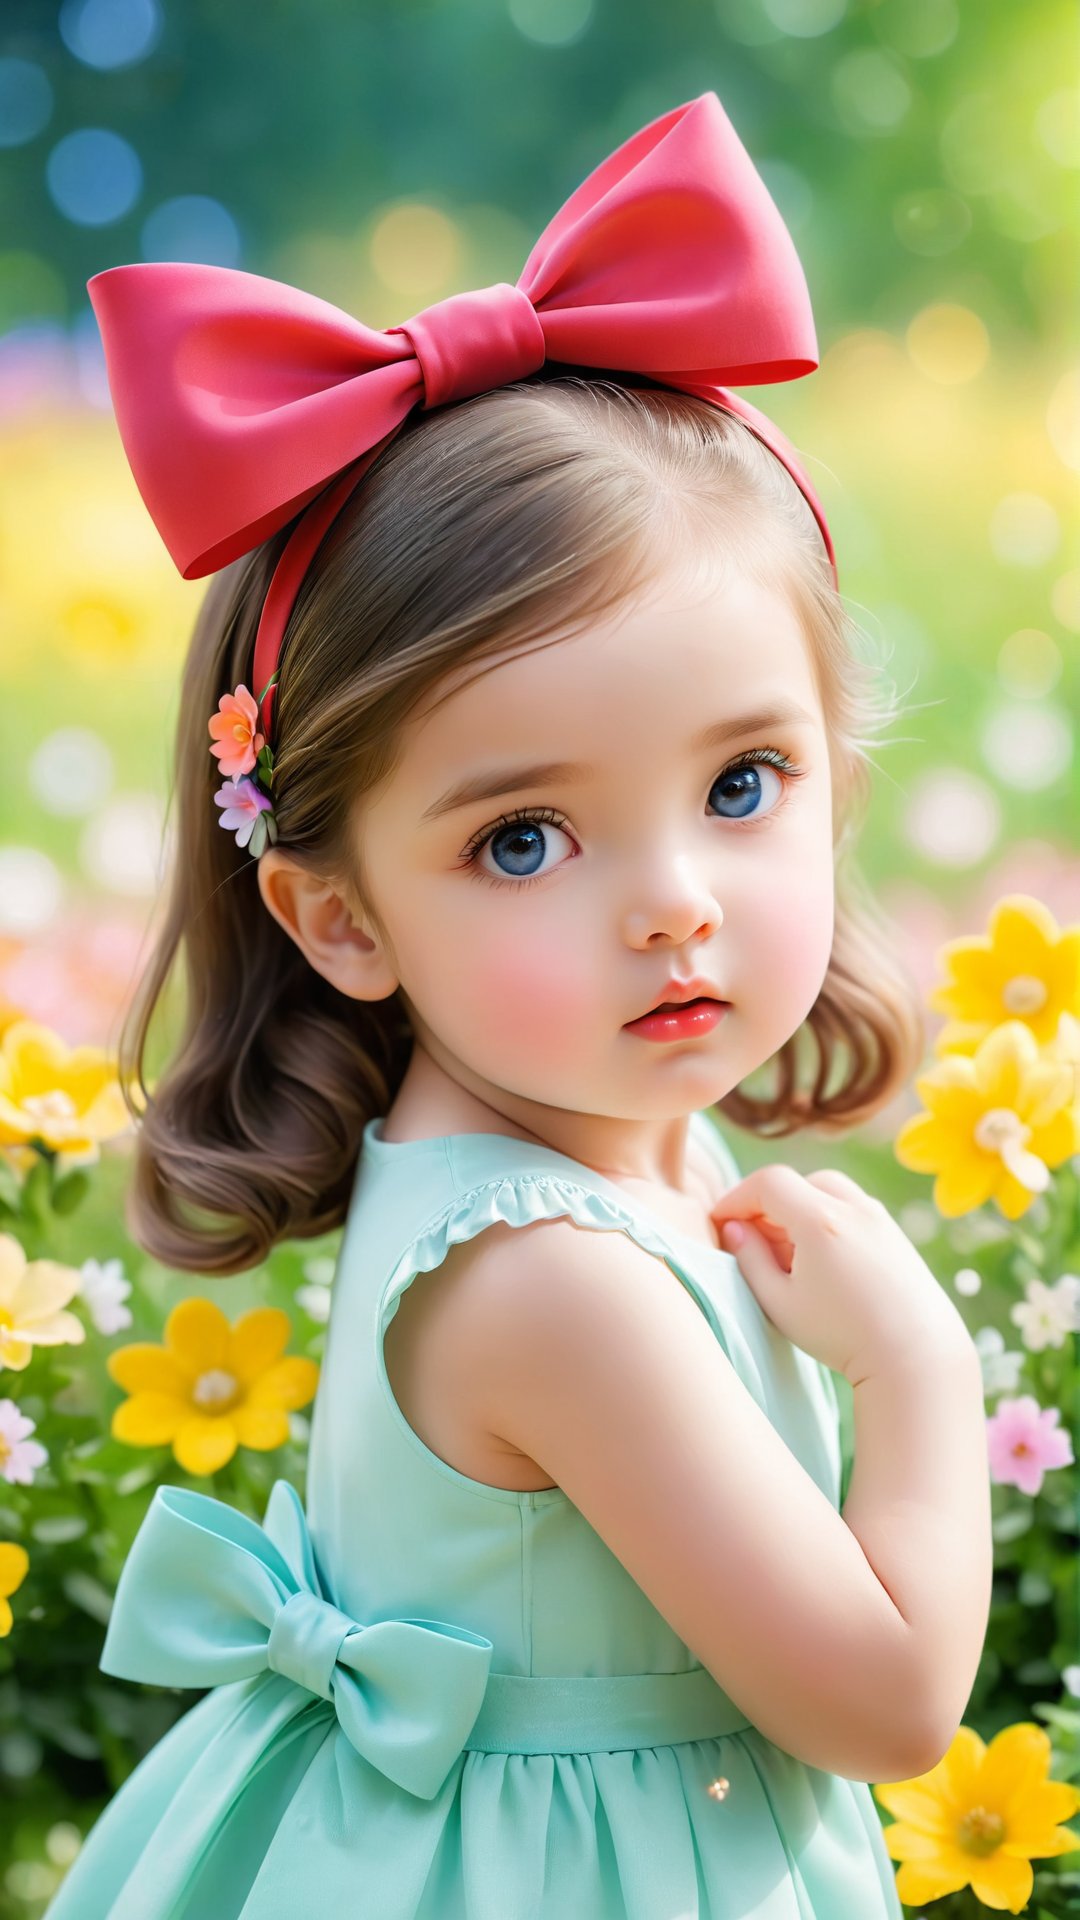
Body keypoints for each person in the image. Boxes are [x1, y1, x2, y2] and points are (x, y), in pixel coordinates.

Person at [45, 90, 992, 1920]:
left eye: (740, 786)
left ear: (836, 773)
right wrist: (922, 1370)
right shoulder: (549, 1282)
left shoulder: (562, 1121)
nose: (672, 907)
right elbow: (886, 1704)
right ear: (337, 913)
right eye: (528, 838)